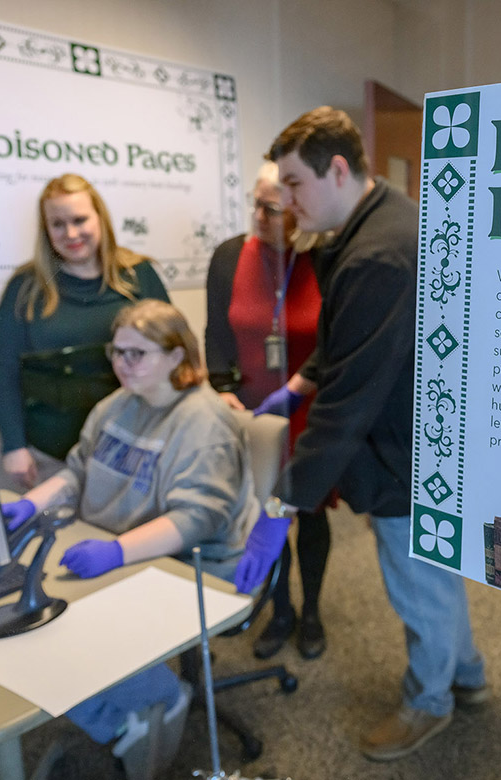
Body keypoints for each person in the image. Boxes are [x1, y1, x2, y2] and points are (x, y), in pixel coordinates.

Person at [233, 107, 486, 762]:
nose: (286, 203)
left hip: (403, 447)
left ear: (337, 169)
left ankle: (429, 703)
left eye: (293, 185)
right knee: (435, 572)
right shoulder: (378, 218)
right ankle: (466, 672)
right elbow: (352, 338)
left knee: (416, 577)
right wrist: (300, 381)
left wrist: (282, 503)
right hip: (421, 431)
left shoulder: (378, 251)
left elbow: (348, 402)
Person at [1, 299, 257, 778]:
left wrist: (116, 551)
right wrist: (31, 503)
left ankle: (155, 697)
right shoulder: (115, 405)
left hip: (192, 563)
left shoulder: (204, 422)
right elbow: (77, 471)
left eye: (137, 354)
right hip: (121, 551)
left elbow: (196, 519)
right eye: (116, 352)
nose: (121, 364)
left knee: (64, 626)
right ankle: (121, 719)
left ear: (177, 356)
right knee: (30, 619)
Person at [205, 161, 331, 660]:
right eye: (254, 203)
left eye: (271, 208)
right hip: (254, 411)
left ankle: (313, 610)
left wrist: (305, 390)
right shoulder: (230, 256)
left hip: (310, 410)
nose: (258, 215)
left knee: (310, 513)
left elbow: (337, 338)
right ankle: (280, 610)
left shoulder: (326, 259)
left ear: (299, 210)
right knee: (263, 510)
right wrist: (220, 387)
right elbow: (216, 332)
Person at [0, 173, 170, 491]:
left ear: (100, 218)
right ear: (46, 229)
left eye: (80, 220)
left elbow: (174, 353)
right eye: (57, 224)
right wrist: (13, 446)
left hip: (136, 449)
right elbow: (4, 372)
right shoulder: (26, 287)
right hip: (51, 457)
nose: (71, 233)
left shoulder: (139, 276)